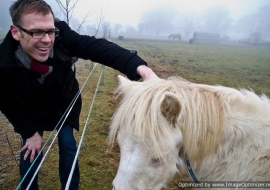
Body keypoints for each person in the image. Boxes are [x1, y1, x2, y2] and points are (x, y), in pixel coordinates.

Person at [0, 0, 159, 189]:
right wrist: (29, 131)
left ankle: (70, 186)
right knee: (30, 149)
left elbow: (97, 48)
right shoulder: (4, 64)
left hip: (64, 104)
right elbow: (7, 102)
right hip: (30, 111)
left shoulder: (62, 38)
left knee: (68, 145)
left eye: (50, 31)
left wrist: (143, 71)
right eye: (36, 32)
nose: (47, 40)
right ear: (16, 32)